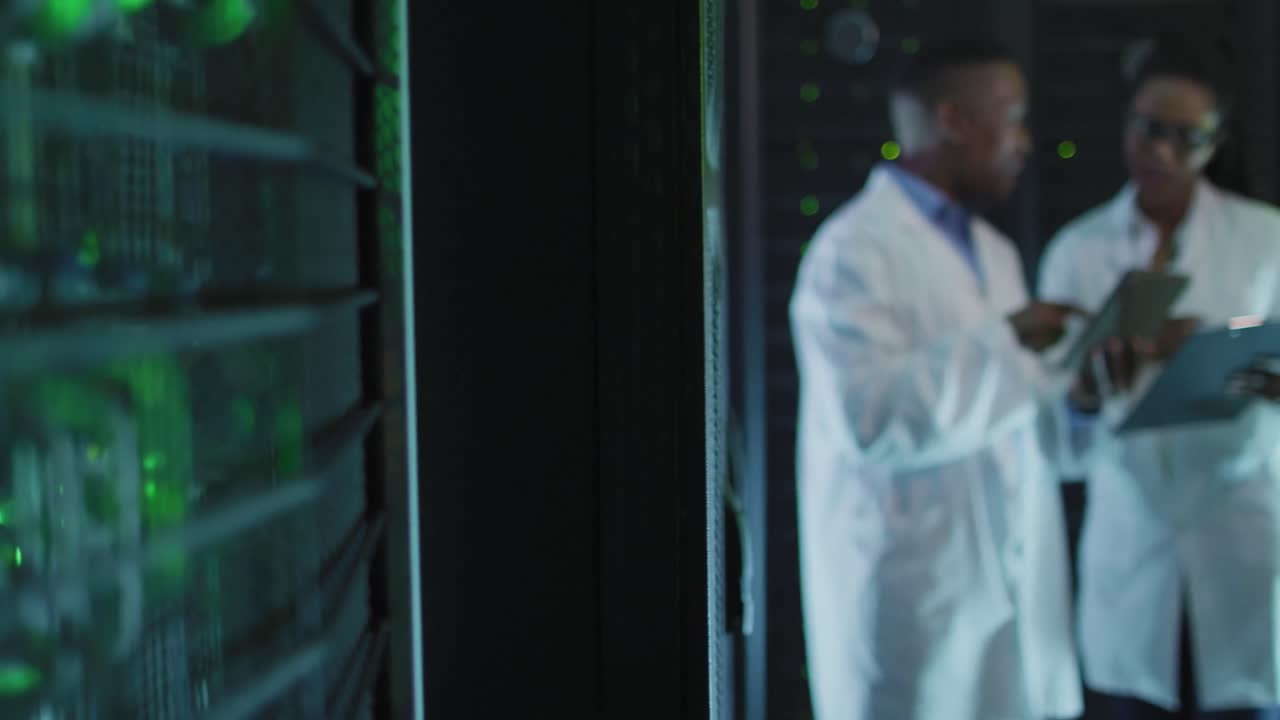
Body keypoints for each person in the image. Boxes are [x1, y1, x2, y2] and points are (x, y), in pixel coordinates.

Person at [790, 31, 1084, 720]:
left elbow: (1013, 411)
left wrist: (1081, 389)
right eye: (1011, 117)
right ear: (951, 120)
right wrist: (1005, 338)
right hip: (917, 598)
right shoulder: (851, 250)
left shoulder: (997, 252)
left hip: (1008, 592)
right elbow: (870, 417)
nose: (1026, 140)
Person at [1039, 33, 1280, 720]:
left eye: (1188, 137)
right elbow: (1050, 426)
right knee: (1131, 701)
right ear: (1126, 123)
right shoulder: (1077, 251)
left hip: (1243, 526)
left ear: (1217, 140)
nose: (1163, 153)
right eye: (1149, 130)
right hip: (1130, 530)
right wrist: (1086, 391)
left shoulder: (1266, 238)